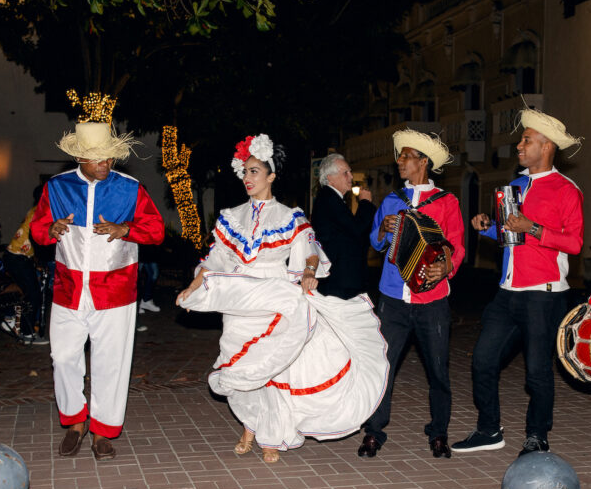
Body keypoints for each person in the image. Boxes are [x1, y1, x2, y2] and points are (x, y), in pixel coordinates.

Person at [176, 134, 387, 464]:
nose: (248, 178)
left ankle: (270, 436)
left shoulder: (290, 217)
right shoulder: (231, 217)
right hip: (240, 302)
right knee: (243, 364)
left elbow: (311, 253)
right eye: (245, 172)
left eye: (255, 172)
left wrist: (308, 271)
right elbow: (215, 260)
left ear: (271, 176)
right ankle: (251, 424)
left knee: (273, 369)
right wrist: (193, 286)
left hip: (275, 297)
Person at [452, 109, 584, 456]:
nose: (519, 145)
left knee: (537, 372)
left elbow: (574, 243)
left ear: (547, 147)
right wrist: (488, 226)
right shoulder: (514, 186)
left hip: (544, 294)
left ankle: (537, 435)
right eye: (522, 139)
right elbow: (510, 234)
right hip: (508, 291)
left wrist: (534, 228)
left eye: (527, 140)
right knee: (482, 359)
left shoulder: (566, 190)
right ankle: (489, 429)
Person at [30, 121, 165, 461]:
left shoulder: (130, 189)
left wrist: (126, 228)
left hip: (116, 291)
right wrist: (51, 227)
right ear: (80, 157)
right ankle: (75, 422)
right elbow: (36, 231)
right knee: (62, 358)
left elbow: (157, 231)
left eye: (109, 159)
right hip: (68, 289)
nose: (105, 165)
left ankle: (103, 431)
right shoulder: (57, 187)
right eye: (98, 160)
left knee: (111, 363)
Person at [357, 129, 465, 459]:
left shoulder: (447, 203)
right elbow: (375, 243)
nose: (400, 160)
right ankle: (373, 432)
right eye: (400, 155)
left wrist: (445, 268)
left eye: (406, 156)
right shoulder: (392, 200)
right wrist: (382, 229)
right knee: (383, 368)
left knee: (438, 370)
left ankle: (439, 433)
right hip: (392, 298)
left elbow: (457, 248)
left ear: (423, 161)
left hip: (431, 300)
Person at [310, 152, 376, 299]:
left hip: (342, 279)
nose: (351, 177)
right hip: (339, 282)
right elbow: (356, 230)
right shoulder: (329, 198)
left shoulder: (331, 199)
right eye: (345, 173)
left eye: (350, 172)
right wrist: (365, 203)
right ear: (330, 178)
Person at [4, 187, 48, 344]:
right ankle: (26, 333)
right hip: (17, 257)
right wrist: (39, 257)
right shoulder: (40, 211)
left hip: (20, 257)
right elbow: (35, 236)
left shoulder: (38, 209)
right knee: (33, 294)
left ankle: (21, 327)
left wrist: (36, 258)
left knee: (32, 293)